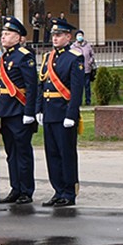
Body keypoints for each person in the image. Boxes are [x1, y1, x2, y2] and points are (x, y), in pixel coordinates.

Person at [0, 16, 40, 205]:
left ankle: (26, 190)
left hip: (19, 111)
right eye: (3, 33)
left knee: (22, 152)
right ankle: (15, 188)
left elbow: (32, 86)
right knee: (11, 153)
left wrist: (30, 112)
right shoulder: (5, 57)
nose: (3, 37)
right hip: (6, 112)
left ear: (18, 37)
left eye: (7, 34)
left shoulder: (24, 56)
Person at [40, 17, 87, 206]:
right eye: (53, 35)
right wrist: (39, 109)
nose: (55, 38)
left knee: (65, 153)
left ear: (68, 37)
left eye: (59, 35)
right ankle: (58, 190)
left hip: (64, 113)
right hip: (49, 112)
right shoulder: (47, 58)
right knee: (52, 154)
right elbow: (42, 85)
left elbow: (76, 91)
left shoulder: (75, 58)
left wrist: (71, 114)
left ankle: (69, 191)